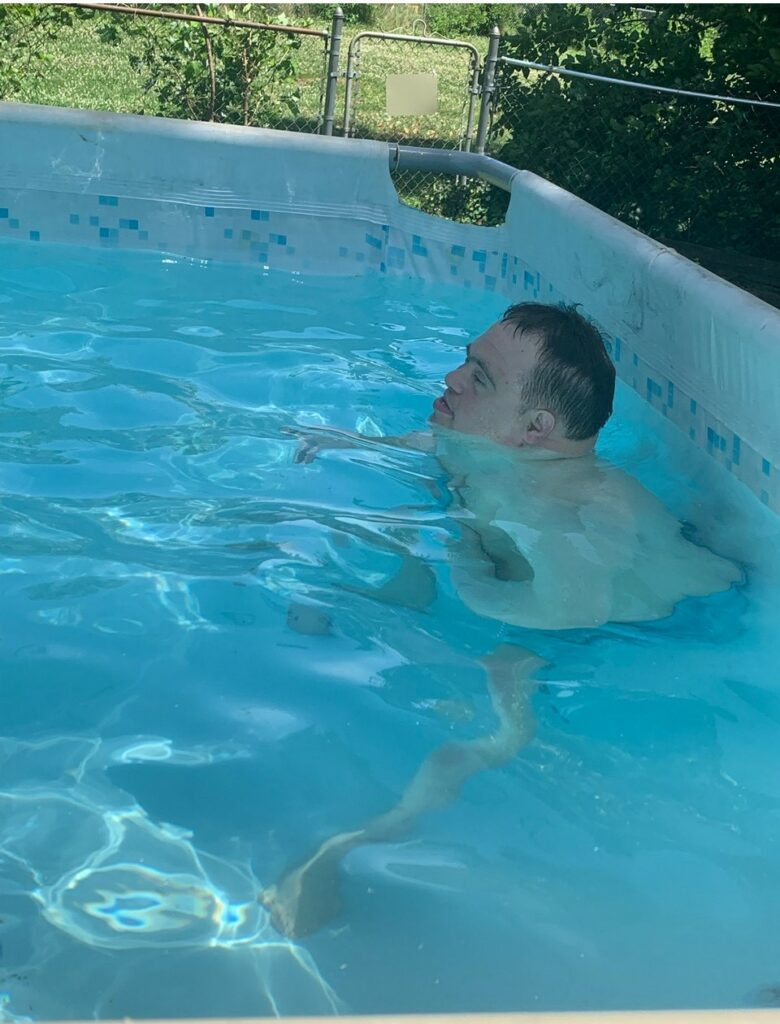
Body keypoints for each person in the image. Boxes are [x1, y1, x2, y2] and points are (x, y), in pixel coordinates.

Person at [262, 302, 741, 936]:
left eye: (480, 376)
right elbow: (425, 448)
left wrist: (456, 539)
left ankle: (344, 852)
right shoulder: (483, 451)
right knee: (405, 551)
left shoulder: (576, 505)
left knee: (496, 725)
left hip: (662, 628)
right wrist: (345, 442)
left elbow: (566, 612)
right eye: (465, 360)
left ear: (536, 427)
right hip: (566, 600)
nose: (452, 378)